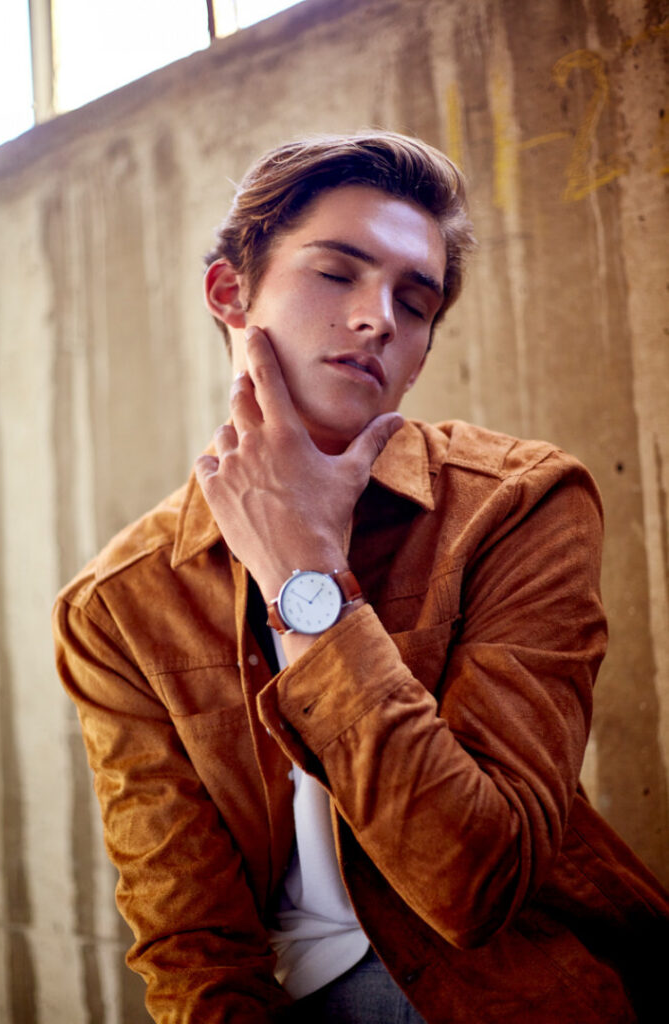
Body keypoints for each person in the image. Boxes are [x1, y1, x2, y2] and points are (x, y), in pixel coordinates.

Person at [53, 131, 668, 1024]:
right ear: (229, 293)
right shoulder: (119, 604)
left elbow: (475, 881)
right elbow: (191, 943)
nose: (378, 318)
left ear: (420, 355)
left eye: (414, 304)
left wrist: (302, 570)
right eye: (336, 273)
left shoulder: (517, 503)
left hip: (516, 986)